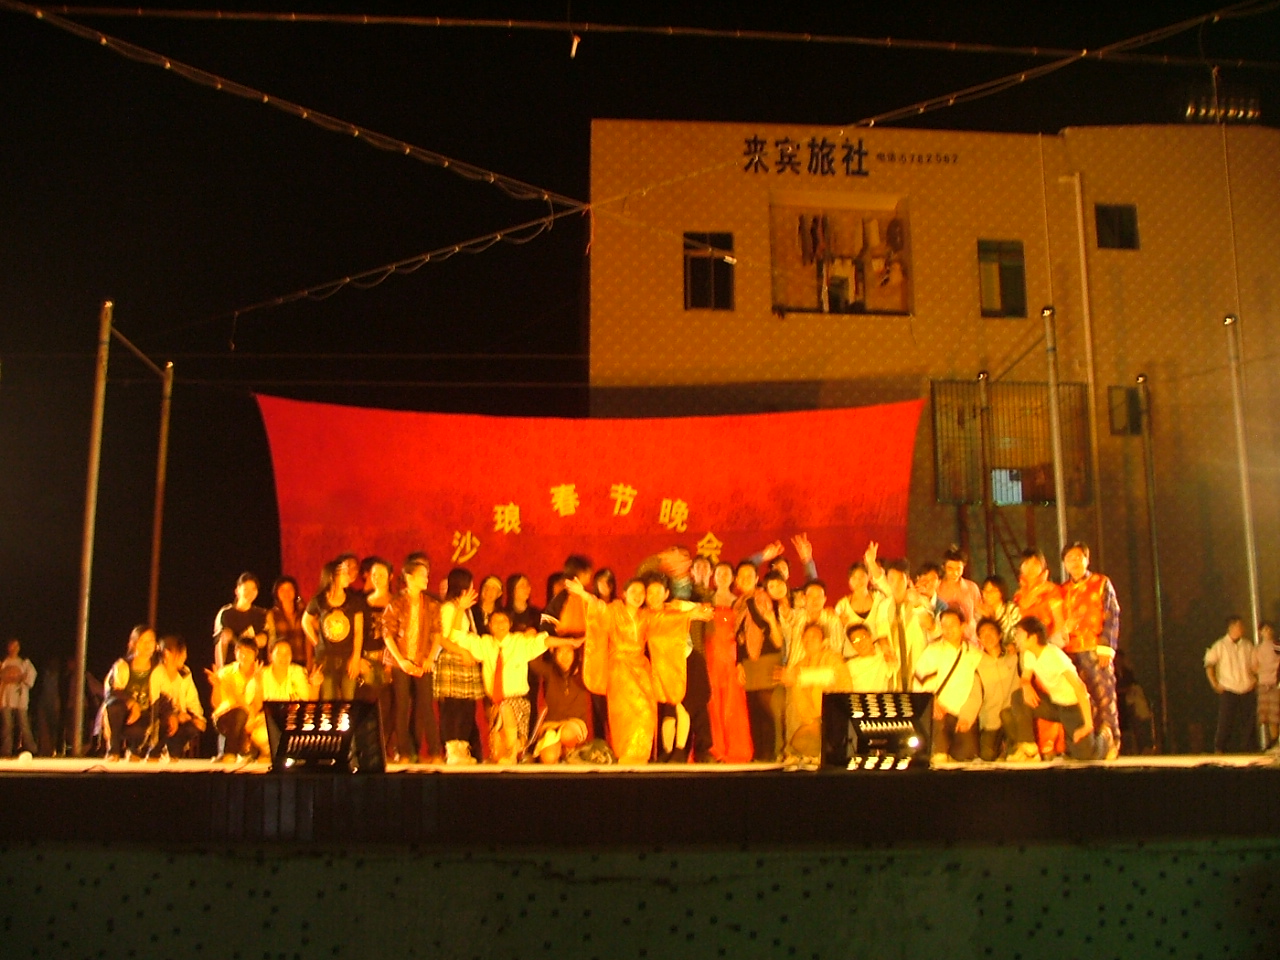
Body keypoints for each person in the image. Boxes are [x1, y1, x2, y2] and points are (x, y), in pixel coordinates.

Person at [568, 574, 709, 764]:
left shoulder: (645, 616)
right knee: (624, 716)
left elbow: (664, 620)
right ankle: (626, 756)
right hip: (619, 670)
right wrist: (583, 593)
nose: (638, 595)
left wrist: (690, 615)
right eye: (633, 591)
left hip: (641, 669)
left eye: (641, 592)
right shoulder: (614, 611)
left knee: (647, 712)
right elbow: (598, 607)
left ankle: (641, 757)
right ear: (624, 593)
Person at [446, 608, 580, 762]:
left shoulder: (519, 642)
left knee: (506, 709)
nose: (500, 624)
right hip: (495, 704)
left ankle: (514, 750)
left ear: (510, 624)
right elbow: (456, 636)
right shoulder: (484, 644)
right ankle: (513, 749)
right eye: (495, 621)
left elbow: (545, 641)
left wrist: (570, 642)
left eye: (503, 621)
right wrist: (460, 608)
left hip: (518, 703)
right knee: (498, 755)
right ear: (490, 626)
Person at [1007, 616, 1106, 762]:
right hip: (1055, 705)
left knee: (1084, 755)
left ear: (1033, 637)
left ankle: (1105, 738)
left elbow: (1080, 688)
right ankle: (1029, 749)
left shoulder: (1053, 655)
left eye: (1019, 634)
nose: (1016, 639)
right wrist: (1026, 685)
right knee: (1019, 697)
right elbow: (1025, 677)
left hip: (1074, 706)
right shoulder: (1029, 654)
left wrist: (1088, 725)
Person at [1060, 541, 1122, 759]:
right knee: (1081, 700)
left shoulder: (1101, 583)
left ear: (1087, 559)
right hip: (1071, 653)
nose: (1075, 562)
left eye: (1079, 557)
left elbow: (1112, 614)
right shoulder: (1063, 590)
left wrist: (1106, 646)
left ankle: (1111, 741)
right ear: (1064, 564)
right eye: (1070, 559)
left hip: (1096, 649)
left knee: (1104, 696)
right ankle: (1089, 745)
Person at [381, 554, 444, 763]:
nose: (426, 579)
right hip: (401, 661)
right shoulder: (396, 603)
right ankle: (404, 752)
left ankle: (435, 752)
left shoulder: (432, 604)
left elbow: (437, 634)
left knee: (426, 707)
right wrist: (401, 661)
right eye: (422, 575)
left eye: (427, 575)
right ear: (409, 577)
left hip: (423, 661)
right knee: (402, 707)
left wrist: (430, 658)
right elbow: (387, 634)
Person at [913, 607, 982, 763]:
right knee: (939, 756)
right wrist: (931, 702)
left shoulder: (975, 654)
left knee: (966, 758)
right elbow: (920, 681)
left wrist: (967, 716)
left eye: (952, 625)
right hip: (939, 715)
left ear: (963, 626)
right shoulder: (933, 651)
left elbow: (977, 691)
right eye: (944, 625)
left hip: (963, 716)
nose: (948, 629)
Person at [776, 623, 848, 761]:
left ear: (824, 642)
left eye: (814, 637)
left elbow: (831, 675)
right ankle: (794, 752)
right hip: (809, 720)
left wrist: (798, 677)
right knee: (790, 696)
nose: (808, 641)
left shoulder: (833, 658)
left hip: (831, 720)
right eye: (806, 638)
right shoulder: (800, 665)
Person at [737, 565, 787, 761]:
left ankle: (772, 752)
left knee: (768, 708)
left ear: (757, 578)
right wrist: (739, 662)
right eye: (741, 576)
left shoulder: (764, 597)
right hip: (749, 662)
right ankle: (758, 753)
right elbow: (738, 637)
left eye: (749, 575)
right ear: (737, 581)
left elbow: (763, 624)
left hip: (767, 658)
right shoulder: (738, 604)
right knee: (754, 710)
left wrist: (751, 601)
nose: (745, 578)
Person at [704, 561, 753, 762]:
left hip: (732, 657)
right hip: (710, 656)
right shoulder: (706, 600)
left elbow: (744, 634)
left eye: (727, 573)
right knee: (712, 701)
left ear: (733, 578)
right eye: (719, 573)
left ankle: (736, 749)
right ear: (714, 577)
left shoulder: (740, 602)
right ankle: (715, 749)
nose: (723, 577)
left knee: (733, 703)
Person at [435, 568, 485, 763]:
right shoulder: (448, 608)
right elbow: (445, 639)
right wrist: (462, 652)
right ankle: (452, 750)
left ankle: (462, 749)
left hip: (466, 660)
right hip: (453, 659)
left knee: (466, 708)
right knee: (452, 708)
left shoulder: (464, 608)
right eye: (470, 584)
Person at [302, 558, 365, 700]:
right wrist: (317, 642)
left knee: (348, 698)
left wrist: (356, 657)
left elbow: (358, 631)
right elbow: (305, 621)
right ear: (332, 576)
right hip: (326, 658)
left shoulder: (354, 601)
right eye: (344, 573)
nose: (348, 575)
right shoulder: (319, 601)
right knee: (327, 698)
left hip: (347, 656)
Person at [205, 635, 269, 762]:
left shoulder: (259, 674)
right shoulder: (226, 672)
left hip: (250, 719)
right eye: (241, 651)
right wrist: (216, 686)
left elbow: (258, 705)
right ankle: (230, 753)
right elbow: (216, 704)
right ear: (235, 653)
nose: (244, 656)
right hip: (226, 717)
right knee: (240, 714)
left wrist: (258, 683)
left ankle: (246, 754)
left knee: (263, 731)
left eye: (248, 652)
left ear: (255, 654)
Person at [102, 626, 158, 760]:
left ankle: (135, 749)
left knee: (145, 725)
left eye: (151, 641)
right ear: (133, 643)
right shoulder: (122, 666)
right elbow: (112, 691)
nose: (147, 645)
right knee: (114, 707)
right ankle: (113, 749)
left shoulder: (158, 669)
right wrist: (132, 703)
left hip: (144, 716)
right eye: (143, 641)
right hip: (123, 715)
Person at [1204, 616, 1258, 753]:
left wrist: (1257, 680)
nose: (1242, 629)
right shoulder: (1220, 645)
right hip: (1228, 687)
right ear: (1231, 627)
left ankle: (1249, 748)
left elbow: (1254, 666)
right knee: (1226, 720)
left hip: (1247, 686)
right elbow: (1209, 665)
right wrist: (1214, 684)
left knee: (1249, 721)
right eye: (1239, 626)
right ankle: (1220, 747)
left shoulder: (1247, 645)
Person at [148, 635, 206, 760]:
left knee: (192, 727)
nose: (185, 657)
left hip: (180, 718)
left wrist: (196, 717)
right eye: (181, 653)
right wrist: (172, 715)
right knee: (166, 724)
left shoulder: (185, 673)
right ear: (167, 654)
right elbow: (155, 704)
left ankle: (173, 753)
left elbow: (192, 698)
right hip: (159, 718)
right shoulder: (157, 673)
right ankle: (154, 751)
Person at [358, 556, 394, 750]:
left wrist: (391, 660)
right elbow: (356, 634)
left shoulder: (397, 602)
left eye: (381, 574)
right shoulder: (362, 602)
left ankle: (385, 746)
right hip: (368, 660)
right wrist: (358, 658)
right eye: (374, 575)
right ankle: (367, 747)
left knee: (388, 706)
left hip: (391, 661)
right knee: (368, 703)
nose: (377, 578)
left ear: (390, 576)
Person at [974, 616, 1019, 761]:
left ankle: (1014, 748)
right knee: (987, 756)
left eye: (991, 631)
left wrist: (1016, 646)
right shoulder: (976, 663)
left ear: (1000, 635)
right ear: (979, 639)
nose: (987, 636)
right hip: (990, 720)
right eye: (983, 633)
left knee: (1016, 754)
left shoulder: (1014, 657)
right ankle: (1002, 750)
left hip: (1013, 715)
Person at [213, 572, 269, 669]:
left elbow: (265, 639)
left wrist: (253, 640)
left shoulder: (261, 614)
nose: (250, 593)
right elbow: (220, 642)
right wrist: (220, 670)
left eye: (253, 589)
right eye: (246, 589)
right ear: (237, 591)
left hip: (254, 668)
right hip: (232, 668)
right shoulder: (226, 613)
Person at [0, 638, 38, 756]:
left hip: (20, 697)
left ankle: (31, 748)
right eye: (12, 646)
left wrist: (21, 678)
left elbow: (30, 676)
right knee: (7, 726)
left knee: (23, 724)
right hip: (6, 697)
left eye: (16, 646)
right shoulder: (4, 662)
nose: (14, 648)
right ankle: (6, 750)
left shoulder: (24, 663)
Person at [937, 545, 983, 638]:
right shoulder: (937, 588)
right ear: (943, 567)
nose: (955, 573)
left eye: (958, 569)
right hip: (944, 636)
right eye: (950, 568)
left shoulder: (971, 587)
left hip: (969, 638)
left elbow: (979, 612)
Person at [259, 637, 321, 702]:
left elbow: (309, 701)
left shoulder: (298, 672)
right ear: (270, 656)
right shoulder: (261, 674)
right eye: (279, 653)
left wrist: (316, 686)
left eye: (288, 653)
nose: (284, 657)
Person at [267, 576, 308, 667]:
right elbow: (271, 639)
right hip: (281, 661)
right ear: (277, 593)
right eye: (282, 590)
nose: (286, 593)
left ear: (295, 591)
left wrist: (310, 660)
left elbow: (308, 638)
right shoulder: (272, 614)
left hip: (302, 659)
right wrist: (271, 660)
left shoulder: (304, 612)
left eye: (290, 589)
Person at [978, 575, 1021, 648]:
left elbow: (1019, 631)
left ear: (1001, 592)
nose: (988, 594)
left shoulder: (1011, 609)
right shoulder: (979, 611)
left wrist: (1013, 644)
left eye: (992, 591)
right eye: (985, 590)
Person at [1256, 621, 1280, 750]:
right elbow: (1254, 666)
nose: (1268, 632)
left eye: (1269, 629)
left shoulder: (1276, 646)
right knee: (1268, 716)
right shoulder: (1258, 649)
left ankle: (1276, 740)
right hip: (1263, 684)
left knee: (1276, 714)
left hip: (1275, 683)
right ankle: (1273, 741)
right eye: (1265, 630)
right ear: (1260, 632)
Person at [834, 561, 877, 630]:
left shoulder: (877, 598)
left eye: (862, 576)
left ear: (868, 577)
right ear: (849, 582)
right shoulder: (842, 606)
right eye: (854, 578)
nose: (858, 581)